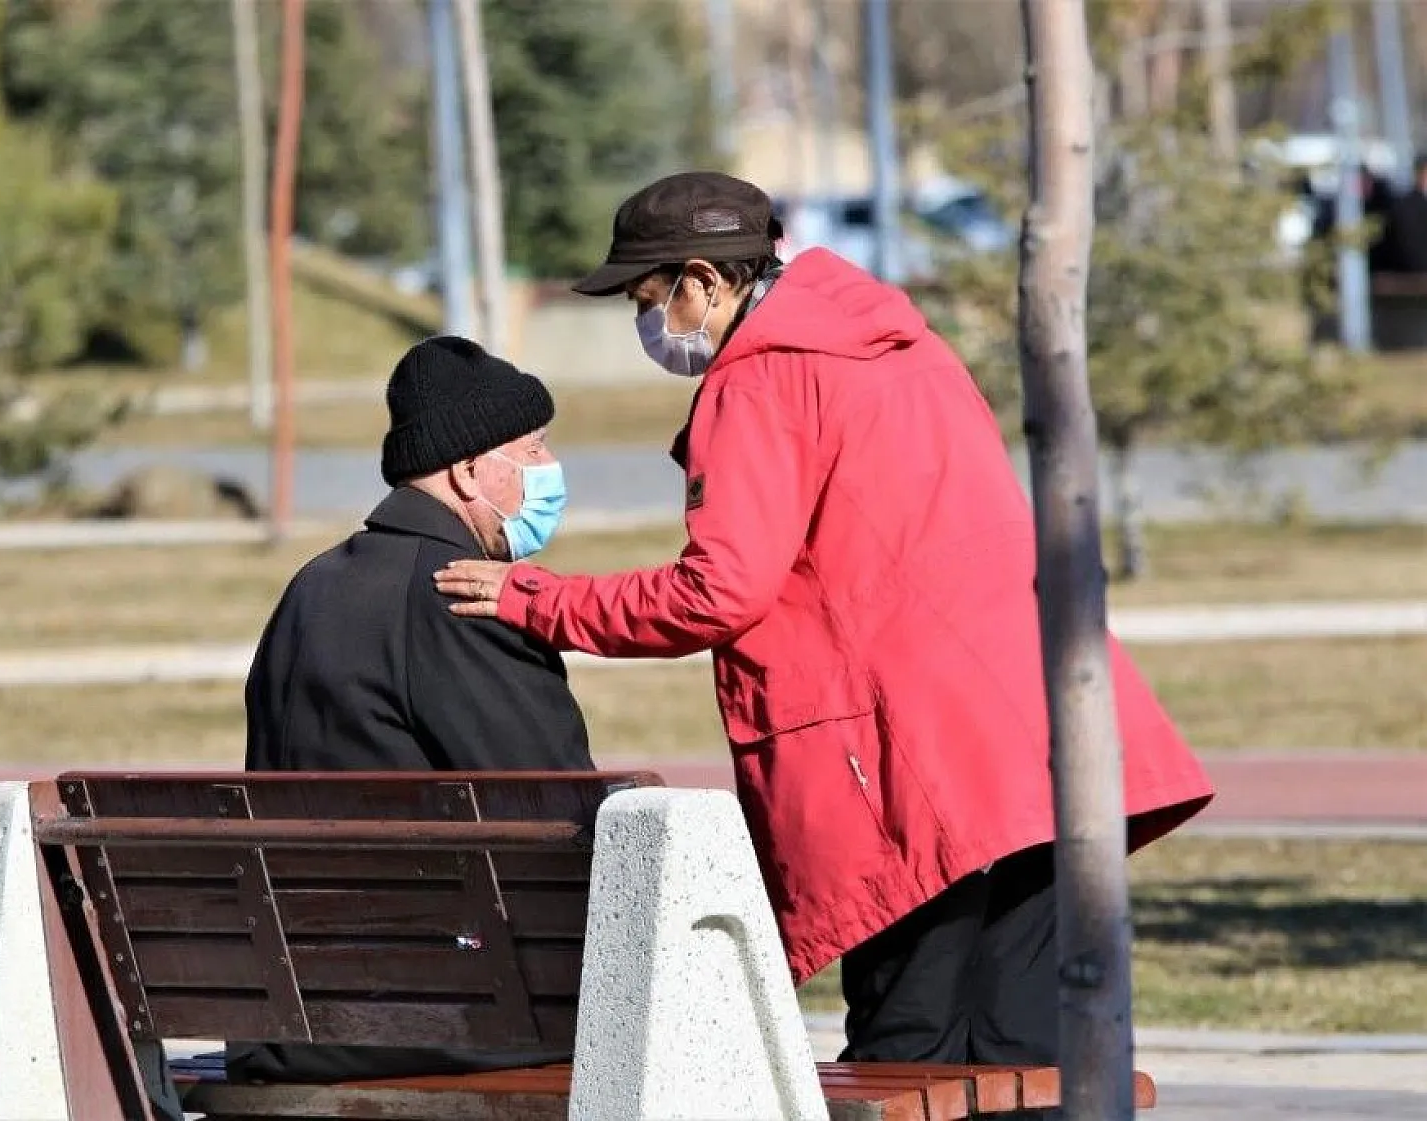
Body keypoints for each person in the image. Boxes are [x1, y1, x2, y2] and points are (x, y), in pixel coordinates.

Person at [434, 171, 1214, 1068]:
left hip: (908, 764)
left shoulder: (757, 380)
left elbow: (716, 591)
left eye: (649, 300)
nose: (647, 323)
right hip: (1038, 731)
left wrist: (535, 598)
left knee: (907, 1041)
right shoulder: (900, 342)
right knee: (1028, 1048)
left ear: (704, 280)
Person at [234, 334, 590, 1085]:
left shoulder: (312, 585)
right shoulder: (461, 597)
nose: (550, 466)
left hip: (290, 1005)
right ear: (468, 470)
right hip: (433, 1010)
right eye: (533, 449)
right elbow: (564, 814)